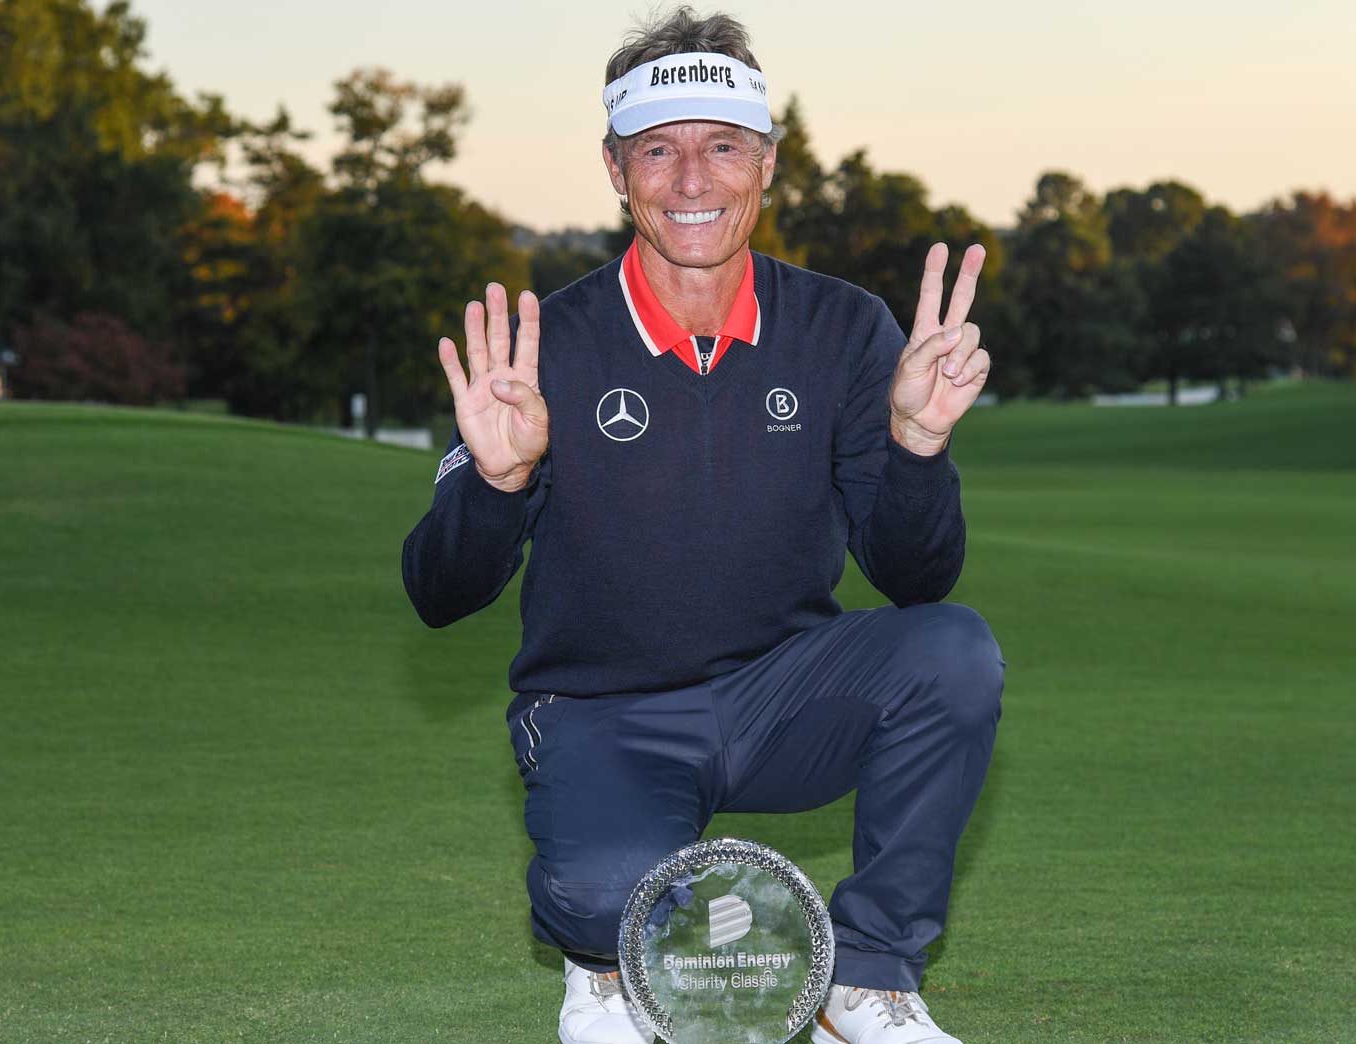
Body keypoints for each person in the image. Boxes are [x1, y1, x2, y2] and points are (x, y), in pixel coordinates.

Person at [402, 9, 1005, 1043]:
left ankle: (865, 980)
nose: (692, 181)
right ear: (613, 167)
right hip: (604, 713)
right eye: (657, 149)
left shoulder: (842, 326)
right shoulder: (544, 342)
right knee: (600, 898)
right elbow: (437, 592)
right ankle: (598, 971)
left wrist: (913, 447)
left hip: (782, 697)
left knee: (951, 651)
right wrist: (496, 484)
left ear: (766, 162)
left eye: (721, 145)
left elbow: (915, 576)